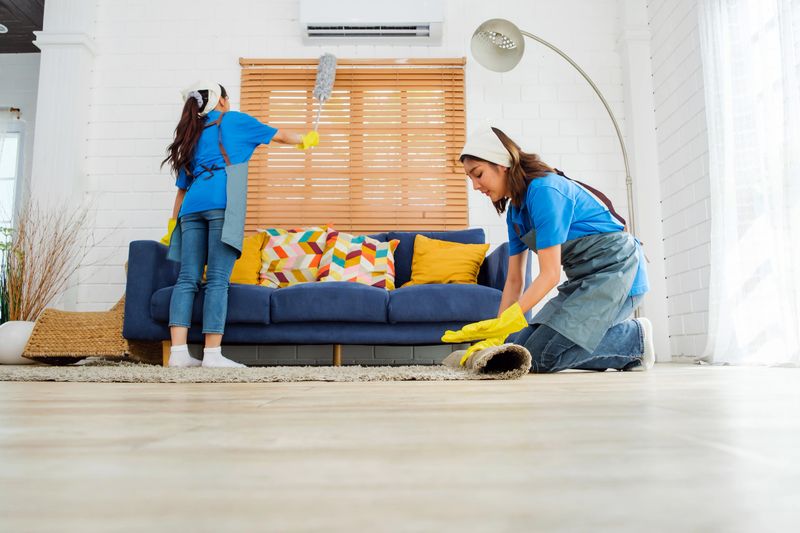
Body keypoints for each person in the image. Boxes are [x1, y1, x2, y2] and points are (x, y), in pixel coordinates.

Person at [442, 125, 655, 372]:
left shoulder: (544, 191)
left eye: (478, 174)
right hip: (583, 283)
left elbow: (550, 274)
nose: (476, 186)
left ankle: (635, 339)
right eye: (470, 178)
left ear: (502, 164)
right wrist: (500, 332)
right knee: (516, 346)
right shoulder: (515, 213)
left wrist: (512, 317)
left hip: (617, 273)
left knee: (540, 358)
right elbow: (514, 281)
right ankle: (618, 345)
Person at [161, 81, 319, 368]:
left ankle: (178, 353)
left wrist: (173, 226)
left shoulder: (191, 132)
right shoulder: (233, 120)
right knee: (218, 280)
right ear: (221, 101)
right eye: (227, 97)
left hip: (191, 209)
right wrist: (306, 140)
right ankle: (212, 355)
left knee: (187, 279)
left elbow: (182, 189)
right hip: (223, 204)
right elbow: (280, 136)